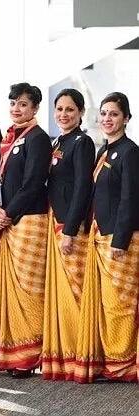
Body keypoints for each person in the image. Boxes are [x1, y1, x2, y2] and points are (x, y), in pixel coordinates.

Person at [0, 82, 51, 378]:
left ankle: (31, 355)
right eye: (13, 103)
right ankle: (14, 353)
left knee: (29, 289)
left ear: (35, 108)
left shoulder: (37, 138)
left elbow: (33, 184)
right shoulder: (8, 138)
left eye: (23, 104)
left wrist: (7, 214)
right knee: (10, 290)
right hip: (9, 221)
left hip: (30, 221)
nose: (16, 108)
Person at [74, 92, 139, 383]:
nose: (107, 119)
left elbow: (130, 199)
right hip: (100, 237)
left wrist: (120, 241)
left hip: (119, 241)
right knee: (106, 304)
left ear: (126, 118)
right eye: (104, 113)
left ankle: (124, 365)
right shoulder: (105, 150)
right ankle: (113, 361)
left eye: (114, 114)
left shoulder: (129, 152)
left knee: (120, 305)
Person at [41, 89, 94, 380]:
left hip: (70, 227)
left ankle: (80, 355)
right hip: (55, 220)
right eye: (59, 109)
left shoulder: (82, 142)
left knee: (76, 293)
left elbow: (82, 188)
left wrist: (71, 230)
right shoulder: (59, 141)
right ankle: (63, 355)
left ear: (81, 112)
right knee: (61, 293)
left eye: (70, 110)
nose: (64, 114)